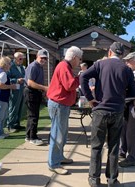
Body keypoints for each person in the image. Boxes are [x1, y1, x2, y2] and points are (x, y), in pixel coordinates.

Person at [80, 42, 135, 187]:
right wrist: (121, 98)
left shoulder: (100, 64)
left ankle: (94, 179)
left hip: (100, 110)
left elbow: (83, 77)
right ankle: (112, 180)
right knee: (113, 147)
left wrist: (90, 98)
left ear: (110, 52)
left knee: (96, 146)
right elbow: (134, 93)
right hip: (117, 111)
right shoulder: (126, 69)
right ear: (122, 55)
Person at [47, 46, 83, 175]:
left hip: (61, 105)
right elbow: (70, 85)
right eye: (79, 59)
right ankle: (54, 163)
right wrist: (80, 77)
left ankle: (59, 157)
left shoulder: (64, 66)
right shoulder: (64, 67)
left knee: (61, 133)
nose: (79, 62)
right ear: (74, 57)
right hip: (59, 104)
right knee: (57, 134)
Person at [24, 49, 49, 146]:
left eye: (45, 58)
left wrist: (42, 90)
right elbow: (30, 82)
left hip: (35, 92)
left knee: (32, 115)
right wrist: (44, 88)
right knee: (33, 115)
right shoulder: (34, 66)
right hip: (31, 92)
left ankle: (29, 135)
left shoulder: (39, 66)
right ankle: (32, 137)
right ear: (37, 56)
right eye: (42, 58)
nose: (43, 60)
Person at [0, 56, 17, 139]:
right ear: (5, 64)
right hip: (0, 97)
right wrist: (11, 86)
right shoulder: (3, 73)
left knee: (2, 115)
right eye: (9, 63)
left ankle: (0, 132)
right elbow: (0, 85)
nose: (10, 65)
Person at [7, 52, 26, 132]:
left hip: (21, 89)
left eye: (23, 59)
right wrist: (17, 80)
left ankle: (16, 124)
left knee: (20, 107)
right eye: (20, 58)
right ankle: (10, 125)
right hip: (14, 90)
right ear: (15, 59)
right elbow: (7, 79)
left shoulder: (21, 67)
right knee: (13, 107)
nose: (22, 60)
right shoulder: (10, 67)